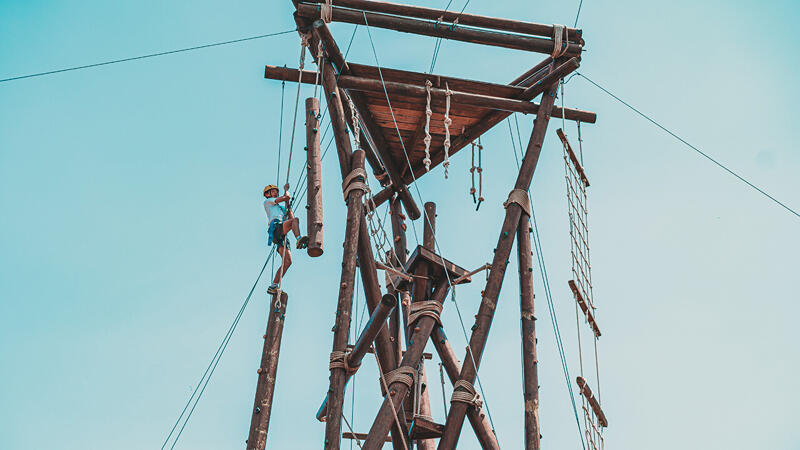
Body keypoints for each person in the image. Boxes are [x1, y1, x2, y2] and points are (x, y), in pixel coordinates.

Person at [263, 184, 308, 294]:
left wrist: (288, 205)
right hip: (276, 228)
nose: (275, 193)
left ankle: (273, 285)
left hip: (281, 234)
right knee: (294, 221)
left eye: (276, 191)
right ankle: (299, 239)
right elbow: (285, 197)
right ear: (267, 194)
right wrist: (286, 191)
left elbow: (291, 218)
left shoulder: (281, 208)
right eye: (273, 191)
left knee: (288, 261)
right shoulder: (268, 202)